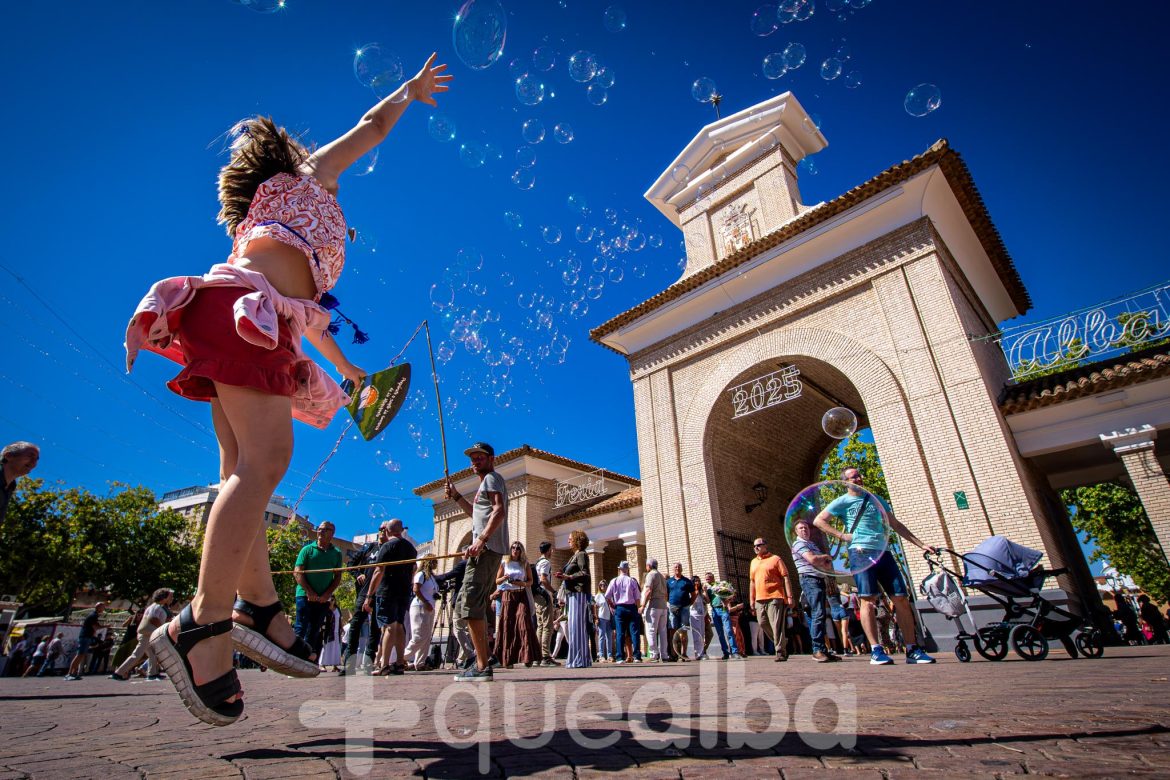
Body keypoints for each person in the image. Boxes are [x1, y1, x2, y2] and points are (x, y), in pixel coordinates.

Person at [127, 55, 451, 726]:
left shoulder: (285, 234)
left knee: (239, 470)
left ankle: (258, 607)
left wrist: (354, 376)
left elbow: (306, 319)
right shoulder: (305, 181)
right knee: (265, 464)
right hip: (242, 310)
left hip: (253, 318)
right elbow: (370, 127)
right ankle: (201, 624)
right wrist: (407, 94)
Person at [814, 467, 937, 665]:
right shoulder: (842, 501)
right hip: (860, 553)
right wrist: (842, 536)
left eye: (859, 475)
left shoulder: (876, 498)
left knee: (901, 598)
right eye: (853, 477)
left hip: (883, 552)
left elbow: (895, 524)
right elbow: (819, 520)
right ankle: (876, 650)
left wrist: (922, 544)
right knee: (867, 600)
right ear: (846, 482)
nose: (859, 478)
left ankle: (912, 649)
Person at [445, 442, 509, 682]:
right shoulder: (487, 482)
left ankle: (482, 666)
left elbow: (498, 511)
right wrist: (456, 497)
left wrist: (480, 540)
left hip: (486, 550)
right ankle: (484, 658)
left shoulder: (492, 478)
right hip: (487, 550)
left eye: (480, 457)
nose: (475, 461)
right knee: (473, 605)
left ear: (491, 458)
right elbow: (477, 515)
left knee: (470, 604)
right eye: (472, 457)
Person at [363, 518, 416, 675]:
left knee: (389, 627)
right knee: (399, 626)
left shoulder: (387, 546)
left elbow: (379, 571)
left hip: (387, 591)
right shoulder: (411, 548)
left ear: (387, 530)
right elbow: (414, 569)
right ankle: (400, 663)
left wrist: (369, 595)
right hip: (404, 592)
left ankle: (384, 665)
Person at [341, 522, 391, 675]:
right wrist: (358, 574)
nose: (382, 531)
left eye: (386, 529)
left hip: (380, 593)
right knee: (355, 626)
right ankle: (349, 665)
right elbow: (351, 564)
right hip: (364, 593)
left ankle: (368, 664)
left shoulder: (390, 549)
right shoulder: (369, 547)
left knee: (375, 630)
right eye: (380, 529)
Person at [291, 521, 343, 662]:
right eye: (319, 529)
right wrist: (309, 591)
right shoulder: (307, 549)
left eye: (325, 529)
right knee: (301, 626)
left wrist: (327, 594)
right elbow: (297, 572)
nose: (321, 531)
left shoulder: (337, 553)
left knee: (314, 629)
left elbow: (337, 576)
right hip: (304, 595)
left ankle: (306, 658)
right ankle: (294, 658)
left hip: (323, 599)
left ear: (332, 533)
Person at [790, 520, 839, 662]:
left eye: (806, 527)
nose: (804, 530)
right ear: (796, 532)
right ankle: (817, 649)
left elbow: (827, 566)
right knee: (817, 613)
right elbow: (812, 559)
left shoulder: (811, 544)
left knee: (821, 614)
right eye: (801, 528)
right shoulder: (799, 544)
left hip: (818, 579)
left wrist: (823, 561)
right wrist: (824, 557)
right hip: (809, 579)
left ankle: (823, 649)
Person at [492, 543, 540, 669]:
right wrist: (504, 577)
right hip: (507, 595)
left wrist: (521, 583)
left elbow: (531, 581)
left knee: (524, 620)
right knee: (508, 624)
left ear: (521, 551)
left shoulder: (525, 564)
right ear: (510, 550)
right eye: (513, 548)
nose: (515, 550)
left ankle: (527, 656)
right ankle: (508, 659)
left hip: (521, 594)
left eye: (518, 548)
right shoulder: (504, 563)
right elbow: (496, 580)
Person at [112, 589, 174, 681]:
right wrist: (162, 628)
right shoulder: (157, 607)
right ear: (164, 597)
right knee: (137, 654)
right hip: (147, 634)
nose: (172, 598)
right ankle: (119, 673)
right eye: (170, 596)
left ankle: (152, 674)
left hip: (147, 633)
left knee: (152, 654)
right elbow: (153, 619)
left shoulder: (154, 606)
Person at [748, 538, 792, 662]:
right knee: (762, 623)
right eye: (754, 546)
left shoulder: (775, 559)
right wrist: (751, 599)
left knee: (776, 625)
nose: (756, 548)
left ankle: (780, 652)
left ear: (765, 546)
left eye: (758, 545)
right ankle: (782, 643)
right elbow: (752, 581)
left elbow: (786, 577)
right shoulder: (753, 562)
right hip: (759, 599)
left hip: (775, 597)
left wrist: (789, 596)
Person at [554, 530, 592, 668]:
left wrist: (568, 577)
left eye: (570, 538)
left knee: (577, 627)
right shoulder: (575, 555)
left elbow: (585, 573)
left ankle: (579, 659)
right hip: (572, 594)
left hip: (578, 593)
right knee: (574, 627)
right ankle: (578, 658)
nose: (568, 541)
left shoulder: (581, 554)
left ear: (577, 540)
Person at [403, 555, 440, 670]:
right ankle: (401, 658)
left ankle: (420, 663)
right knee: (419, 636)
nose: (436, 564)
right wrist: (425, 602)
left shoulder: (432, 577)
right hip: (420, 607)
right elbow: (416, 589)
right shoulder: (421, 575)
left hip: (430, 608)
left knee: (427, 637)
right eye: (434, 561)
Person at [605, 561, 642, 664]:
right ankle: (637, 656)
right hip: (631, 607)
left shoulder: (614, 581)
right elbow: (637, 597)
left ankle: (620, 657)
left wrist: (612, 604)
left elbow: (607, 596)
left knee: (620, 632)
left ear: (619, 569)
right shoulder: (632, 581)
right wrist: (639, 608)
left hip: (619, 608)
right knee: (634, 632)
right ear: (627, 569)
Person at [704, 573, 743, 660]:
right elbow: (707, 601)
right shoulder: (709, 589)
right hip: (714, 610)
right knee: (720, 633)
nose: (707, 581)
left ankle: (735, 652)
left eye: (708, 579)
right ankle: (725, 652)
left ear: (712, 578)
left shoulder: (720, 585)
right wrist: (705, 591)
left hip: (723, 609)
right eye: (706, 579)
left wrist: (727, 601)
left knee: (729, 630)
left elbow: (731, 593)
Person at [64, 602, 106, 681]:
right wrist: (106, 626)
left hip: (86, 636)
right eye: (103, 607)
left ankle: (73, 673)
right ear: (99, 607)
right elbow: (96, 627)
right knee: (79, 655)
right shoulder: (94, 615)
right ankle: (70, 673)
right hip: (85, 637)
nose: (104, 609)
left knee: (80, 655)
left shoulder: (93, 615)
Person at [1, 441, 39, 525]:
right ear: (8, 456)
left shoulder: (10, 487)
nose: (34, 462)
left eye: (36, 459)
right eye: (30, 456)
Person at [533, 541, 559, 667]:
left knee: (540, 626)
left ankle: (537, 656)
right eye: (551, 549)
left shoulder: (538, 562)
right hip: (543, 595)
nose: (552, 552)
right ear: (548, 550)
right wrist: (553, 591)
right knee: (547, 626)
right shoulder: (545, 562)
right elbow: (543, 579)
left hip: (536, 596)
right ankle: (545, 656)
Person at [640, 558, 669, 662]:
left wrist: (643, 605)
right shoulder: (661, 576)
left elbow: (648, 590)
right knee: (662, 631)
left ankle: (654, 654)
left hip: (654, 605)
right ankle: (664, 655)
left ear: (649, 565)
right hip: (663, 606)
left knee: (651, 630)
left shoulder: (651, 575)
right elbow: (666, 593)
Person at [665, 562, 693, 661]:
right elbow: (666, 595)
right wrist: (671, 603)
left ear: (681, 569)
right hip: (673, 608)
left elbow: (693, 594)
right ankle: (674, 654)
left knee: (683, 630)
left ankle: (684, 654)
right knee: (672, 630)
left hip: (684, 608)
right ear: (673, 569)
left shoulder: (687, 581)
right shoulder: (668, 582)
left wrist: (688, 604)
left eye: (679, 567)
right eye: (675, 567)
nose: (677, 568)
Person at [688, 575, 711, 660]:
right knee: (697, 635)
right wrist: (696, 591)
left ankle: (701, 652)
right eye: (695, 581)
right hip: (694, 614)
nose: (697, 582)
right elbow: (690, 602)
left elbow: (708, 601)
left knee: (702, 634)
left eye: (698, 581)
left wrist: (704, 591)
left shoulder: (700, 592)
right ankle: (698, 654)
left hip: (702, 615)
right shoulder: (691, 591)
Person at [593, 579, 615, 662]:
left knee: (609, 637)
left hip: (609, 618)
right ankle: (601, 655)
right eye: (601, 585)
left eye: (605, 585)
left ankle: (610, 655)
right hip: (601, 618)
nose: (603, 586)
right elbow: (595, 606)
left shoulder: (609, 595)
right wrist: (596, 618)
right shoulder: (598, 595)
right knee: (601, 636)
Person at [319, 597, 342, 672]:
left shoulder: (337, 608)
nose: (332, 601)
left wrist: (341, 628)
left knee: (336, 649)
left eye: (333, 599)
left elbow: (340, 619)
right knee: (326, 648)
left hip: (336, 632)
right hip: (328, 632)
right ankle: (323, 665)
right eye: (330, 600)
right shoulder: (326, 609)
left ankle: (335, 666)